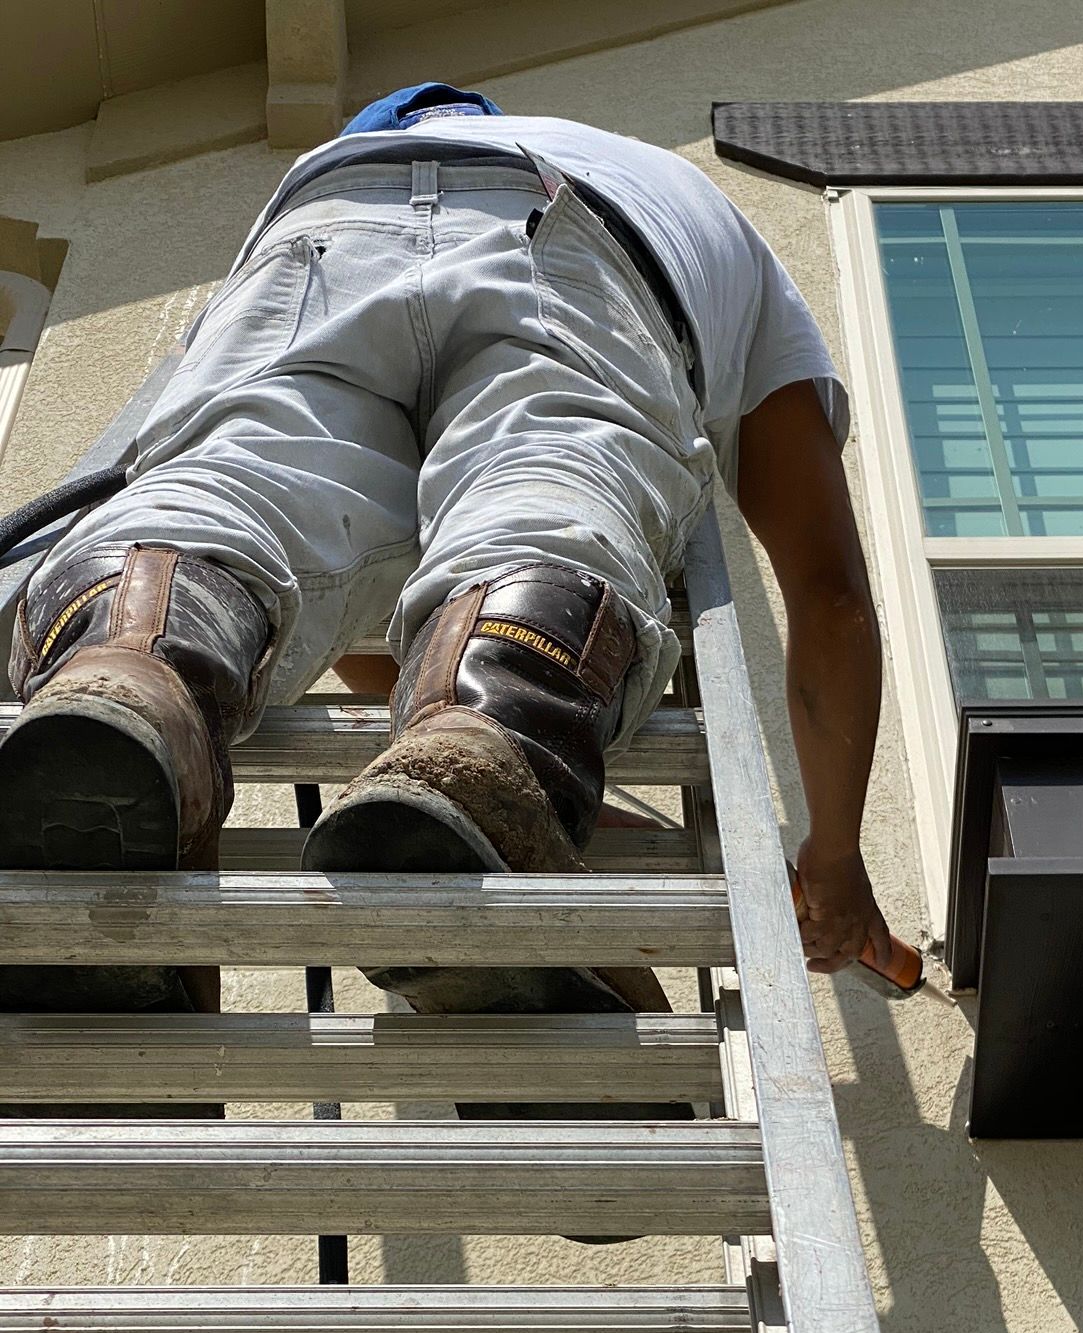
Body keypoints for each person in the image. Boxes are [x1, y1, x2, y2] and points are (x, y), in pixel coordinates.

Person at [0, 82, 893, 1026]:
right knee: (546, 495)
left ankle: (128, 668)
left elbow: (347, 586)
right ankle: (493, 739)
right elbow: (829, 593)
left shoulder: (355, 161)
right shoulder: (679, 192)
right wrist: (834, 856)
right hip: (575, 239)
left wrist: (528, 787)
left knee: (240, 490)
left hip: (317, 225)